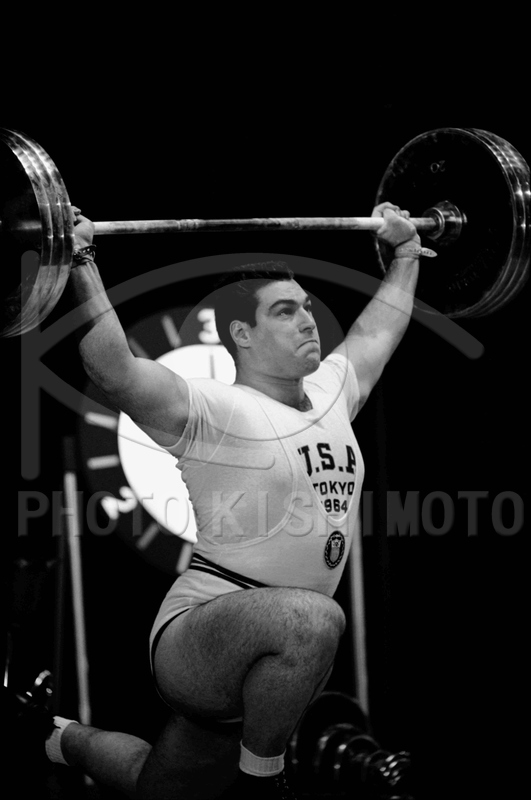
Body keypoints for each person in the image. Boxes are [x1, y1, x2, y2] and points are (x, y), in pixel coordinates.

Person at [43, 201, 426, 799]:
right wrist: (80, 259)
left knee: (160, 788)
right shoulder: (212, 409)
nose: (307, 321)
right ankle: (261, 788)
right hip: (203, 630)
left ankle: (51, 733)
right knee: (315, 618)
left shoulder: (333, 390)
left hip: (276, 656)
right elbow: (114, 370)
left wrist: (404, 253)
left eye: (306, 307)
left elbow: (378, 330)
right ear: (242, 334)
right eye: (284, 311)